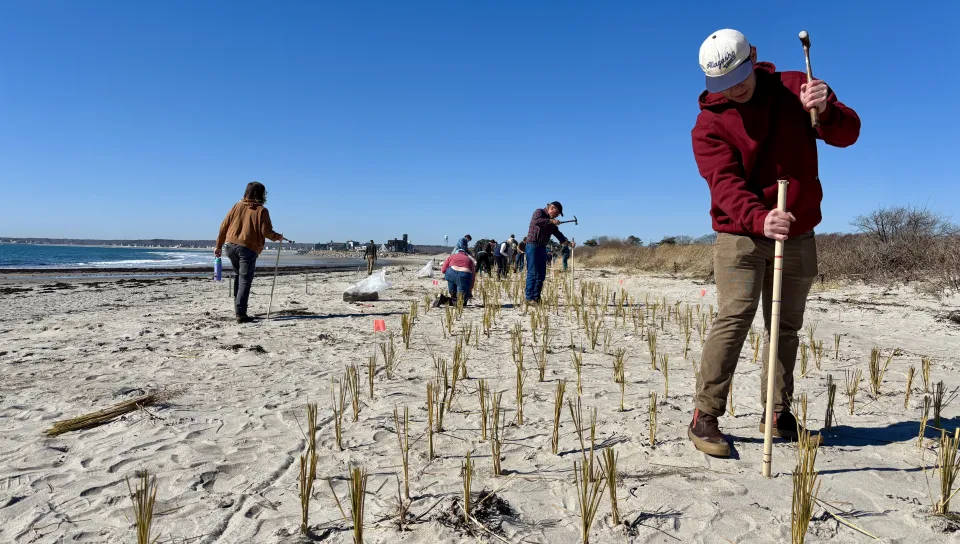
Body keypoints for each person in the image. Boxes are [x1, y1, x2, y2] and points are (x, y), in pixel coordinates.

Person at [688, 29, 860, 457]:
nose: (734, 89)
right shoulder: (708, 124)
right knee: (735, 316)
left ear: (755, 59)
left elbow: (847, 134)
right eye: (722, 83)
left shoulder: (794, 87)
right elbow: (723, 184)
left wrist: (828, 110)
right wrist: (759, 218)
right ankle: (705, 416)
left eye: (739, 77)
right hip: (740, 234)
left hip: (798, 230)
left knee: (785, 325)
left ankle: (778, 414)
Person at [215, 181, 292, 323]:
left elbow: (223, 226)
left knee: (239, 276)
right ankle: (241, 313)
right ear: (261, 194)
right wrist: (277, 237)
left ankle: (239, 309)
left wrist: (218, 246)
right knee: (245, 279)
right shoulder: (262, 210)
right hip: (248, 248)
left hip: (230, 245)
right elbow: (266, 232)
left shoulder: (236, 206)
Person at [525, 201, 575, 303]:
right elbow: (537, 221)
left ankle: (536, 297)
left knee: (541, 274)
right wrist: (552, 221)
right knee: (533, 272)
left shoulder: (551, 222)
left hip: (542, 247)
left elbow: (558, 234)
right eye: (556, 213)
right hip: (532, 246)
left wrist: (569, 243)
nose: (557, 216)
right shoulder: (539, 212)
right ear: (551, 208)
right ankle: (529, 298)